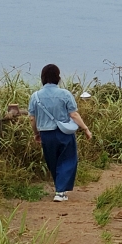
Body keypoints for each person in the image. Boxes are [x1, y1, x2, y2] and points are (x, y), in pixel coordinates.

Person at [27, 64, 92, 202]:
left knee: (53, 161)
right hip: (64, 133)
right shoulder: (65, 94)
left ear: (42, 78)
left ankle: (59, 189)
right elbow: (73, 114)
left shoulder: (35, 96)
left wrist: (36, 133)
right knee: (67, 160)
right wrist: (85, 129)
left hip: (46, 134)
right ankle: (60, 191)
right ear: (58, 77)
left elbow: (32, 118)